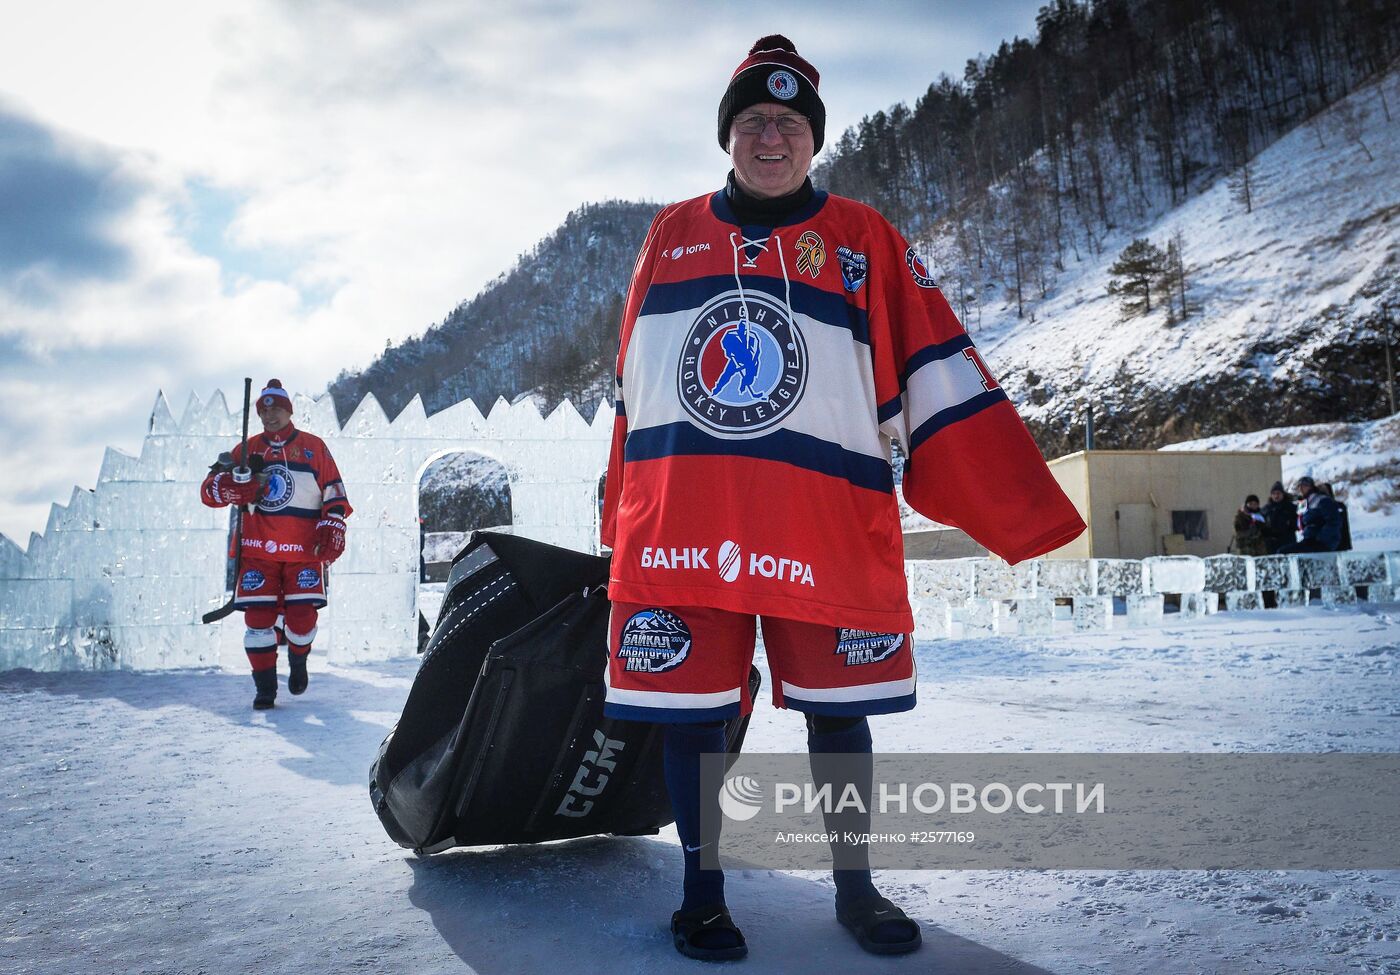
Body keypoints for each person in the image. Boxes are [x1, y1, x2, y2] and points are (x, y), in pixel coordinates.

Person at [599, 36, 1085, 961]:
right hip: (683, 527)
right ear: (727, 137)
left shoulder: (863, 238)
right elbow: (633, 390)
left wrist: (1014, 503)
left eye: (787, 122)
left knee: (839, 706)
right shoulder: (670, 233)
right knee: (696, 714)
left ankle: (856, 893)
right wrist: (619, 516)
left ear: (813, 139)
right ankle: (702, 895)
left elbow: (935, 366)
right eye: (751, 121)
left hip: (821, 517)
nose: (769, 135)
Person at [200, 380, 351, 708]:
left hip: (303, 552)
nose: (270, 415)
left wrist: (333, 522)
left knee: (301, 619)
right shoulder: (245, 449)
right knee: (257, 622)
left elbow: (335, 492)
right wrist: (226, 487)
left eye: (277, 409)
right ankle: (265, 688)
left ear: (289, 411)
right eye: (264, 410)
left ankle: (298, 661)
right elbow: (208, 489)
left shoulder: (313, 447)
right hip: (257, 553)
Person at [1277, 476, 1342, 554]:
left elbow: (1333, 521)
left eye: (1304, 486)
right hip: (1309, 540)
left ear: (1311, 487)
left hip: (1322, 542)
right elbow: (1302, 521)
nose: (1301, 489)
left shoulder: (1322, 500)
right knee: (1283, 551)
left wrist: (1321, 538)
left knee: (1285, 552)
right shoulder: (1304, 503)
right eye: (1299, 486)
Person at [1260, 481, 1296, 554]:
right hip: (1270, 545)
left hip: (1287, 542)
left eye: (1278, 493)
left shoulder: (1291, 507)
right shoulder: (1266, 509)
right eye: (1274, 494)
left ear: (1282, 494)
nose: (1276, 496)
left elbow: (1297, 523)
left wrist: (1289, 524)